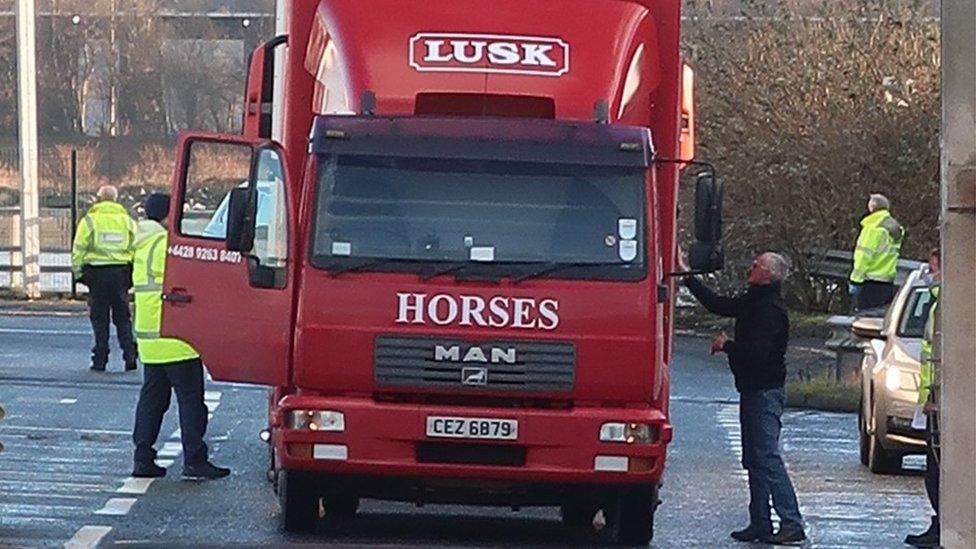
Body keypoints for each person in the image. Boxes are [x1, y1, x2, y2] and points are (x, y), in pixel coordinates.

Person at [678, 251, 806, 545]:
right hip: (752, 389)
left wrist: (728, 346)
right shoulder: (755, 300)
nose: (751, 268)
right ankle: (760, 521)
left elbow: (760, 354)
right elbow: (719, 305)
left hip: (764, 391)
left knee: (767, 457)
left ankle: (791, 521)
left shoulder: (769, 309)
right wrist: (688, 279)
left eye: (756, 265)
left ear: (768, 275)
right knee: (755, 459)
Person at [131, 193, 230, 480]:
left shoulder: (143, 241)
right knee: (191, 400)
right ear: (168, 214)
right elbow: (193, 282)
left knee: (152, 400)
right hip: (176, 335)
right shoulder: (167, 244)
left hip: (150, 337)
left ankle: (143, 458)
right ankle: (194, 460)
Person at [72, 185, 138, 372]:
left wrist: (78, 273)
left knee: (100, 319)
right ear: (116, 199)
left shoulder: (90, 221)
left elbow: (79, 249)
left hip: (97, 274)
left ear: (98, 198)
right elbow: (136, 248)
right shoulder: (127, 221)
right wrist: (132, 274)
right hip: (121, 274)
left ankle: (100, 359)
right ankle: (130, 356)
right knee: (123, 318)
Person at [905, 249, 941, 548]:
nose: (930, 274)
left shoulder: (945, 304)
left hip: (940, 401)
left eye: (933, 268)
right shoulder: (938, 302)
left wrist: (935, 396)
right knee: (934, 468)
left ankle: (944, 523)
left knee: (937, 469)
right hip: (934, 398)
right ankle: (940, 522)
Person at [849, 193, 905, 311]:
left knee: (866, 320)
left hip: (870, 281)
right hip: (887, 280)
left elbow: (864, 256)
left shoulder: (873, 228)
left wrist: (855, 280)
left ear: (872, 207)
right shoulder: (895, 228)